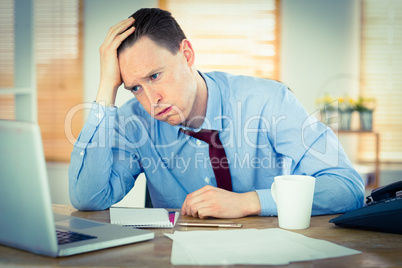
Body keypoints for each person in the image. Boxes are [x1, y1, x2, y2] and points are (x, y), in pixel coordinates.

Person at [69, 8, 364, 219]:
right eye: (134, 88)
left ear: (186, 55)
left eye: (155, 76)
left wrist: (249, 202)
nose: (151, 100)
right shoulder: (135, 121)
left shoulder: (267, 101)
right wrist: (107, 88)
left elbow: (346, 187)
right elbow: (88, 198)